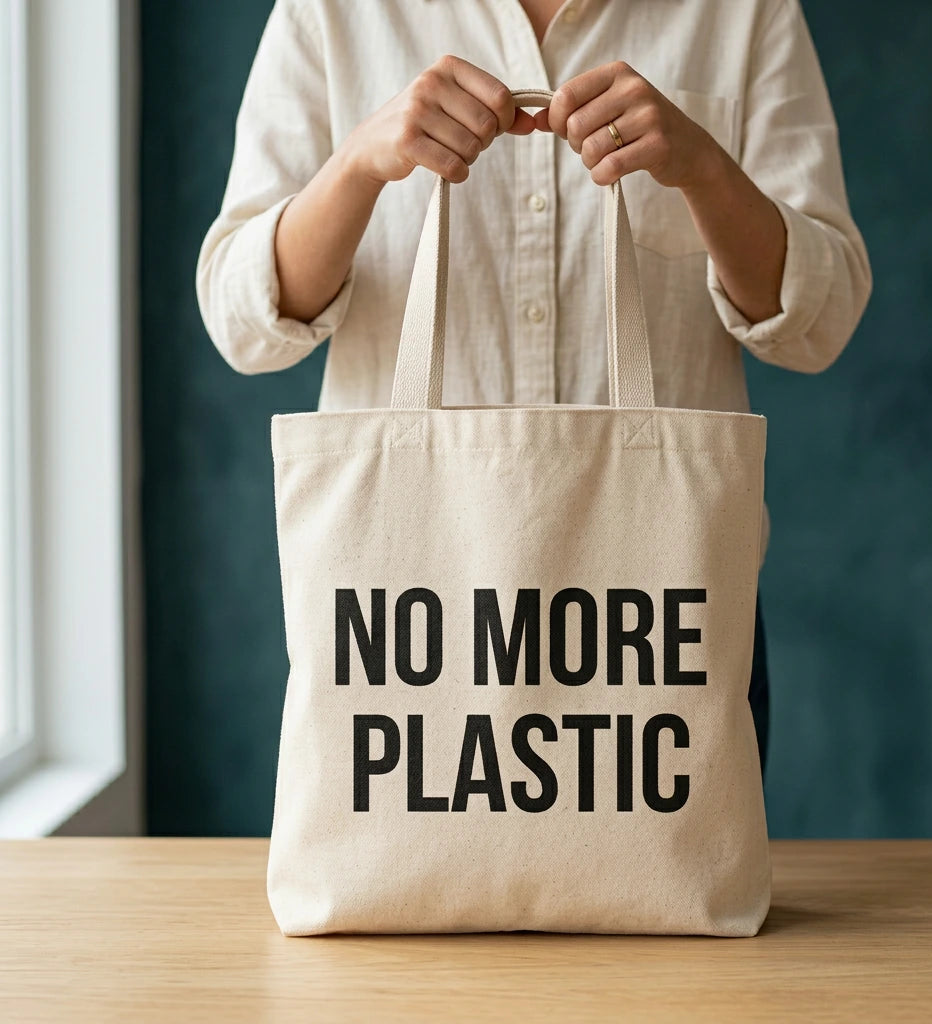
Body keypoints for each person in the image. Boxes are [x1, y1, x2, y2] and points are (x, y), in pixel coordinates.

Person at [196, 0, 873, 783]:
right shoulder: (330, 13)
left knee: (673, 895)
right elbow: (239, 320)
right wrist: (357, 164)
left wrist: (703, 168)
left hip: (660, 602)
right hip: (405, 606)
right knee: (395, 892)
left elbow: (822, 323)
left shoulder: (744, 14)